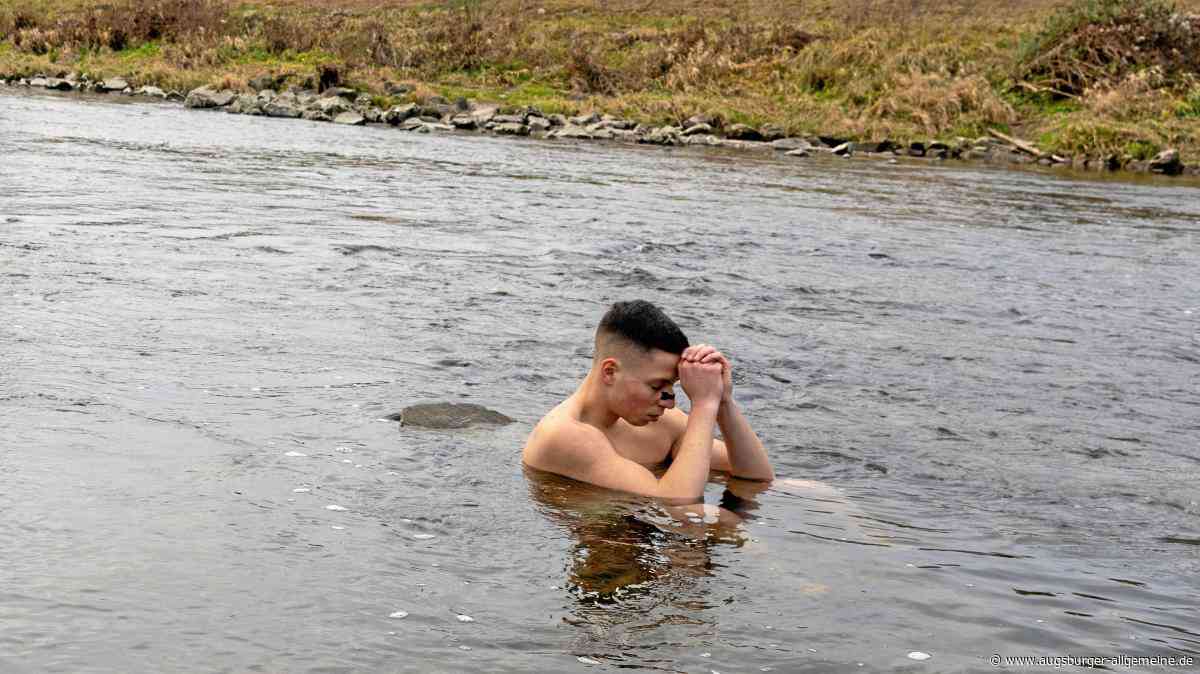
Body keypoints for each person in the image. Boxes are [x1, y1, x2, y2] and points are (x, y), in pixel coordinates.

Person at [522, 300, 774, 503]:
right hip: (607, 554)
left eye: (672, 387)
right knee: (714, 523)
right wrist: (703, 405)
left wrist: (723, 402)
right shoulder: (565, 435)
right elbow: (680, 503)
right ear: (610, 372)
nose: (669, 402)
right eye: (657, 386)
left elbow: (755, 477)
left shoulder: (657, 423)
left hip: (643, 539)